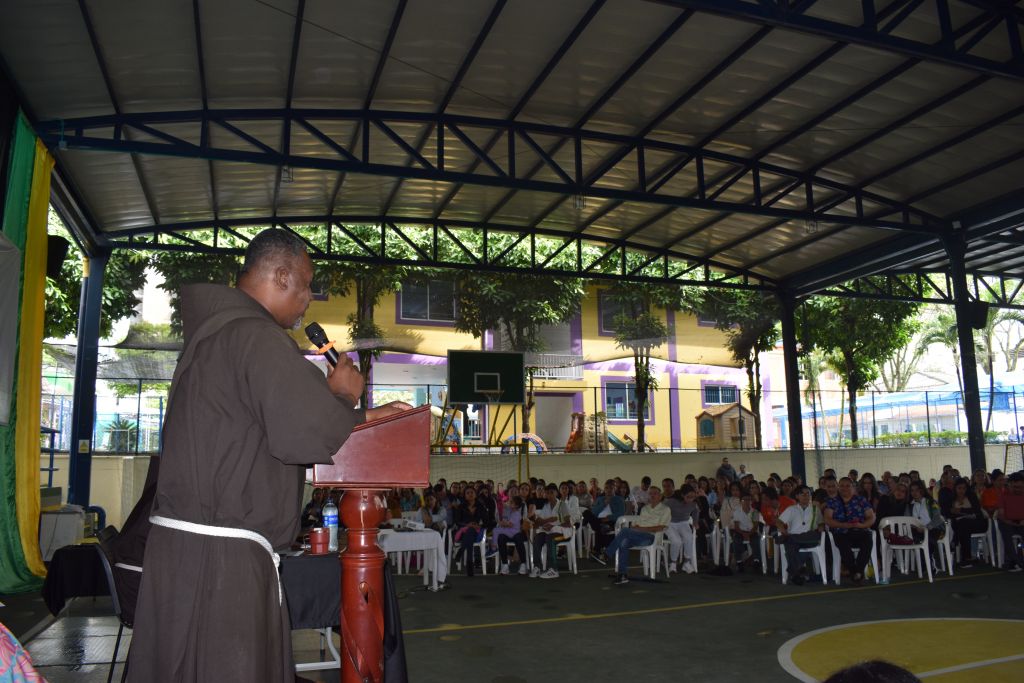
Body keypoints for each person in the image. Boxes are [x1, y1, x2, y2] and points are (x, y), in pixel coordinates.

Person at [127, 229, 409, 683]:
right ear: (281, 276)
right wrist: (343, 398)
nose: (308, 300)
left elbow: (266, 423)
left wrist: (361, 414)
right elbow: (304, 431)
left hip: (188, 552)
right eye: (306, 285)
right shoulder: (255, 335)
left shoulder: (218, 333)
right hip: (222, 565)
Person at [606, 486, 670, 585]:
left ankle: (606, 554)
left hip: (651, 537)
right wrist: (635, 528)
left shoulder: (665, 509)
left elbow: (661, 527)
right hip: (638, 535)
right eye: (650, 493)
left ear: (660, 496)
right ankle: (623, 575)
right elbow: (634, 524)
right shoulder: (645, 508)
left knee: (625, 531)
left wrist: (642, 529)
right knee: (623, 542)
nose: (652, 495)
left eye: (655, 493)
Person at [825, 477, 876, 585]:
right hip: (841, 531)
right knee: (843, 543)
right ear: (838, 487)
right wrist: (843, 525)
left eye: (848, 486)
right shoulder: (832, 501)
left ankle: (858, 571)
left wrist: (862, 525)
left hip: (860, 530)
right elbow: (828, 519)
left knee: (868, 540)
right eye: (842, 486)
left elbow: (871, 517)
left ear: (853, 487)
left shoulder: (861, 500)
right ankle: (855, 572)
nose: (845, 488)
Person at [776, 485, 824, 585]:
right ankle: (796, 573)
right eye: (803, 494)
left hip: (809, 538)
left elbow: (821, 523)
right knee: (791, 545)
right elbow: (779, 521)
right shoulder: (792, 509)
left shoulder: (815, 509)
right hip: (794, 541)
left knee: (789, 541)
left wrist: (821, 528)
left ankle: (795, 570)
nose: (806, 496)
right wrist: (784, 531)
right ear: (797, 496)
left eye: (808, 494)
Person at [530, 484, 573, 578]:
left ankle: (553, 569)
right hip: (549, 531)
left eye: (551, 493)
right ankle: (537, 567)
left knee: (550, 539)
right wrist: (547, 522)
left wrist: (553, 525)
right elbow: (539, 521)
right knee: (537, 539)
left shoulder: (562, 505)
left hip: (563, 532)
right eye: (547, 493)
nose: (549, 495)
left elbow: (568, 523)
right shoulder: (546, 506)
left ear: (556, 493)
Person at [662, 480, 699, 574]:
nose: (691, 499)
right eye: (688, 497)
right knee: (676, 541)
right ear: (682, 495)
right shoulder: (672, 502)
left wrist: (695, 522)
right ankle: (673, 564)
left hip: (684, 523)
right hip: (670, 523)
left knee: (689, 538)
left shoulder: (694, 503)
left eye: (693, 497)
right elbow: (661, 509)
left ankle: (687, 563)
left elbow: (696, 511)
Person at [948, 477, 985, 568]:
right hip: (959, 524)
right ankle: (967, 557)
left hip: (975, 523)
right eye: (959, 488)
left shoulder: (971, 496)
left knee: (963, 524)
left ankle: (957, 544)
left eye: (964, 488)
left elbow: (977, 511)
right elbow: (948, 512)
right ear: (955, 488)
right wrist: (957, 512)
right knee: (963, 525)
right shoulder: (952, 498)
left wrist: (961, 510)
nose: (962, 490)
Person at [996, 472, 1024, 572]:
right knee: (1007, 533)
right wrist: (1013, 522)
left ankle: (1019, 559)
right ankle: (1013, 561)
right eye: (1015, 487)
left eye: (1021, 487)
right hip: (1007, 522)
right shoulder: (1003, 495)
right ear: (1009, 484)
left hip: (1021, 522)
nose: (1018, 489)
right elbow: (1001, 515)